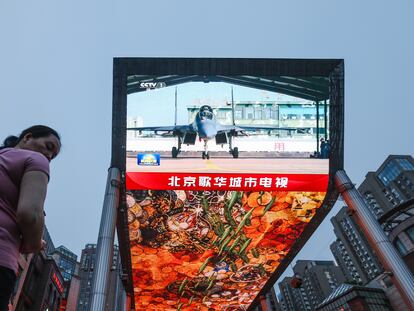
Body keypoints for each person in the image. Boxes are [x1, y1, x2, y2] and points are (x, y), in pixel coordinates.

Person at [0, 125, 61, 310]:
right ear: (27, 137)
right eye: (49, 147)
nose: (49, 156)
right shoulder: (35, 159)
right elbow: (30, 214)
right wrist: (34, 243)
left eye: (53, 155)